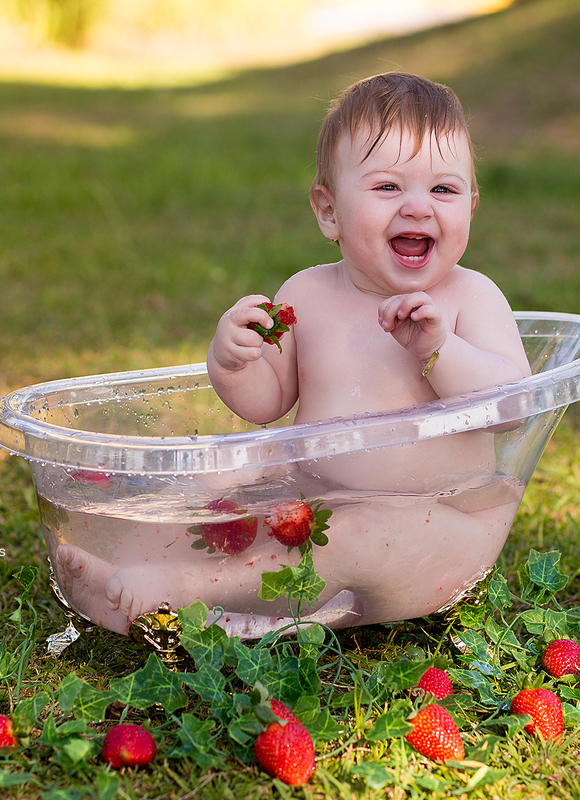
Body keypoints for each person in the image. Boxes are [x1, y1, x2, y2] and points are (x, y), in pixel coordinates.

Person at [54, 72, 532, 637]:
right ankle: (137, 573)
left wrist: (440, 351)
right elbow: (265, 403)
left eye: (444, 191)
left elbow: (515, 408)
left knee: (361, 534)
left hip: (438, 533)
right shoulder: (307, 295)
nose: (418, 209)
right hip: (318, 506)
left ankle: (183, 592)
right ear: (328, 211)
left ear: (472, 208)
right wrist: (232, 362)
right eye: (388, 188)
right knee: (221, 488)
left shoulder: (469, 298)